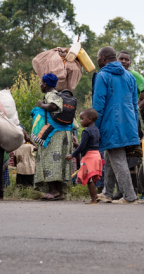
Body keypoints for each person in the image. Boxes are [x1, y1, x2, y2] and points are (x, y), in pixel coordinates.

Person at [93, 47, 141, 205]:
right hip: (128, 122)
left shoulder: (103, 76)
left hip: (110, 123)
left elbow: (98, 105)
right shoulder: (129, 76)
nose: (97, 60)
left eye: (98, 57)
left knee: (118, 158)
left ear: (105, 58)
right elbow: (135, 104)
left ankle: (130, 196)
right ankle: (107, 193)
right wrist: (134, 125)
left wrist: (95, 126)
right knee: (110, 155)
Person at [30, 73, 74, 201]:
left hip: (53, 134)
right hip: (65, 133)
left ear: (45, 84)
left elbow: (54, 106)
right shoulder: (63, 95)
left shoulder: (50, 95)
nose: (40, 86)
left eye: (41, 83)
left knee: (48, 160)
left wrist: (41, 105)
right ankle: (59, 192)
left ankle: (53, 191)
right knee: (59, 162)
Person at [66, 108, 102, 204]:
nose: (80, 121)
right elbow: (94, 143)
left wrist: (72, 155)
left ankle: (93, 199)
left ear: (89, 119)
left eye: (82, 119)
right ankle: (96, 196)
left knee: (89, 179)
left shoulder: (86, 131)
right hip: (97, 155)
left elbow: (82, 146)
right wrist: (77, 145)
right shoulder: (96, 130)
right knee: (93, 178)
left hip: (89, 157)